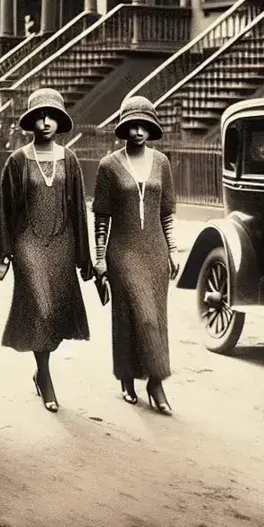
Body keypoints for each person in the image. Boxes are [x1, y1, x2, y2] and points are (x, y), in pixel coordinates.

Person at [0, 88, 92, 413]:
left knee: (57, 312)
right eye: (40, 117)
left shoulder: (70, 159)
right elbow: (5, 208)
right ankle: (46, 377)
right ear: (32, 122)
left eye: (52, 116)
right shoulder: (18, 160)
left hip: (62, 243)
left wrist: (83, 256)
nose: (46, 122)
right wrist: (5, 254)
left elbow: (79, 209)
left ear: (60, 121)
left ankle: (40, 371)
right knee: (42, 308)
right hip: (28, 244)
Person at [91, 95, 178, 414]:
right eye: (133, 125)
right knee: (138, 314)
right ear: (124, 128)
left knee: (152, 316)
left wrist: (172, 249)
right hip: (123, 251)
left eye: (145, 125)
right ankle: (155, 382)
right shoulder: (109, 166)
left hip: (155, 251)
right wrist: (100, 257)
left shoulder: (162, 163)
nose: (139, 131)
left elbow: (167, 211)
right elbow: (101, 215)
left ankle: (130, 377)